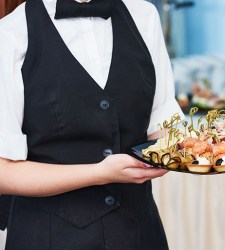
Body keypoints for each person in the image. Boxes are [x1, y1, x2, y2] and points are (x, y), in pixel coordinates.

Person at [0, 0, 184, 249]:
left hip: (137, 234)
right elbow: (4, 171)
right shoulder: (11, 33)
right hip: (48, 237)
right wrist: (99, 173)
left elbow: (163, 122)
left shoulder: (144, 15)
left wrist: (211, 151)